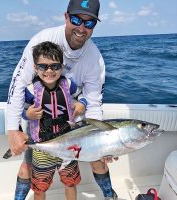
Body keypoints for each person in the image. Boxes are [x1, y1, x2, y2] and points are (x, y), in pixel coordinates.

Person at [7, 0, 118, 199]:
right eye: (76, 19)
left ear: (95, 25)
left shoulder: (95, 59)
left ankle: (110, 196)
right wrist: (13, 129)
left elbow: (93, 102)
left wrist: (102, 144)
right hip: (40, 125)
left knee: (98, 160)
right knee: (26, 167)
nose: (81, 28)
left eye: (89, 23)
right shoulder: (43, 39)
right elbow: (18, 84)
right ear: (66, 17)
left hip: (71, 126)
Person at [23, 41, 86, 200]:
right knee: (39, 188)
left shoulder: (69, 84)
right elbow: (21, 111)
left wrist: (82, 103)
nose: (49, 70)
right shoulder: (30, 90)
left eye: (55, 66)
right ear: (36, 68)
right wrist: (27, 114)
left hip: (68, 146)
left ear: (62, 67)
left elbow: (82, 95)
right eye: (43, 66)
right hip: (42, 148)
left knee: (70, 183)